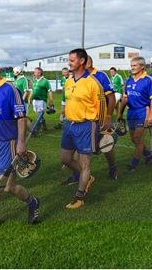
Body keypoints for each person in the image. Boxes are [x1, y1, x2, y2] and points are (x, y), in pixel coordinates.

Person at [0, 57, 39, 229]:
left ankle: (32, 201)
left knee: (8, 187)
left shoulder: (10, 89)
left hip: (7, 144)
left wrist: (20, 143)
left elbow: (21, 117)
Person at [59, 49, 102, 209]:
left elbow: (101, 108)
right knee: (65, 158)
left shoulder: (93, 82)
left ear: (82, 61)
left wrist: (102, 127)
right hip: (69, 125)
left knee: (85, 164)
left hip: (86, 125)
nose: (69, 63)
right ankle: (88, 177)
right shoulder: (68, 81)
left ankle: (80, 197)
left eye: (72, 60)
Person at [119, 57, 152, 171]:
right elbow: (125, 98)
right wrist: (120, 113)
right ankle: (149, 156)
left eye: (135, 66)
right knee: (134, 139)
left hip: (143, 111)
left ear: (142, 67)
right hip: (131, 112)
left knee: (137, 137)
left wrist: (151, 115)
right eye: (131, 66)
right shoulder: (129, 80)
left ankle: (133, 165)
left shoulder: (148, 79)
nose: (132, 68)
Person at [30, 67, 54, 131]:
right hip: (35, 100)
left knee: (40, 114)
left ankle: (37, 128)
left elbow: (49, 91)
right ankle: (44, 126)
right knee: (38, 114)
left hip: (42, 100)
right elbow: (32, 91)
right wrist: (30, 99)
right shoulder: (34, 81)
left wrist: (51, 100)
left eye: (35, 72)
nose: (34, 73)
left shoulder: (45, 81)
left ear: (39, 73)